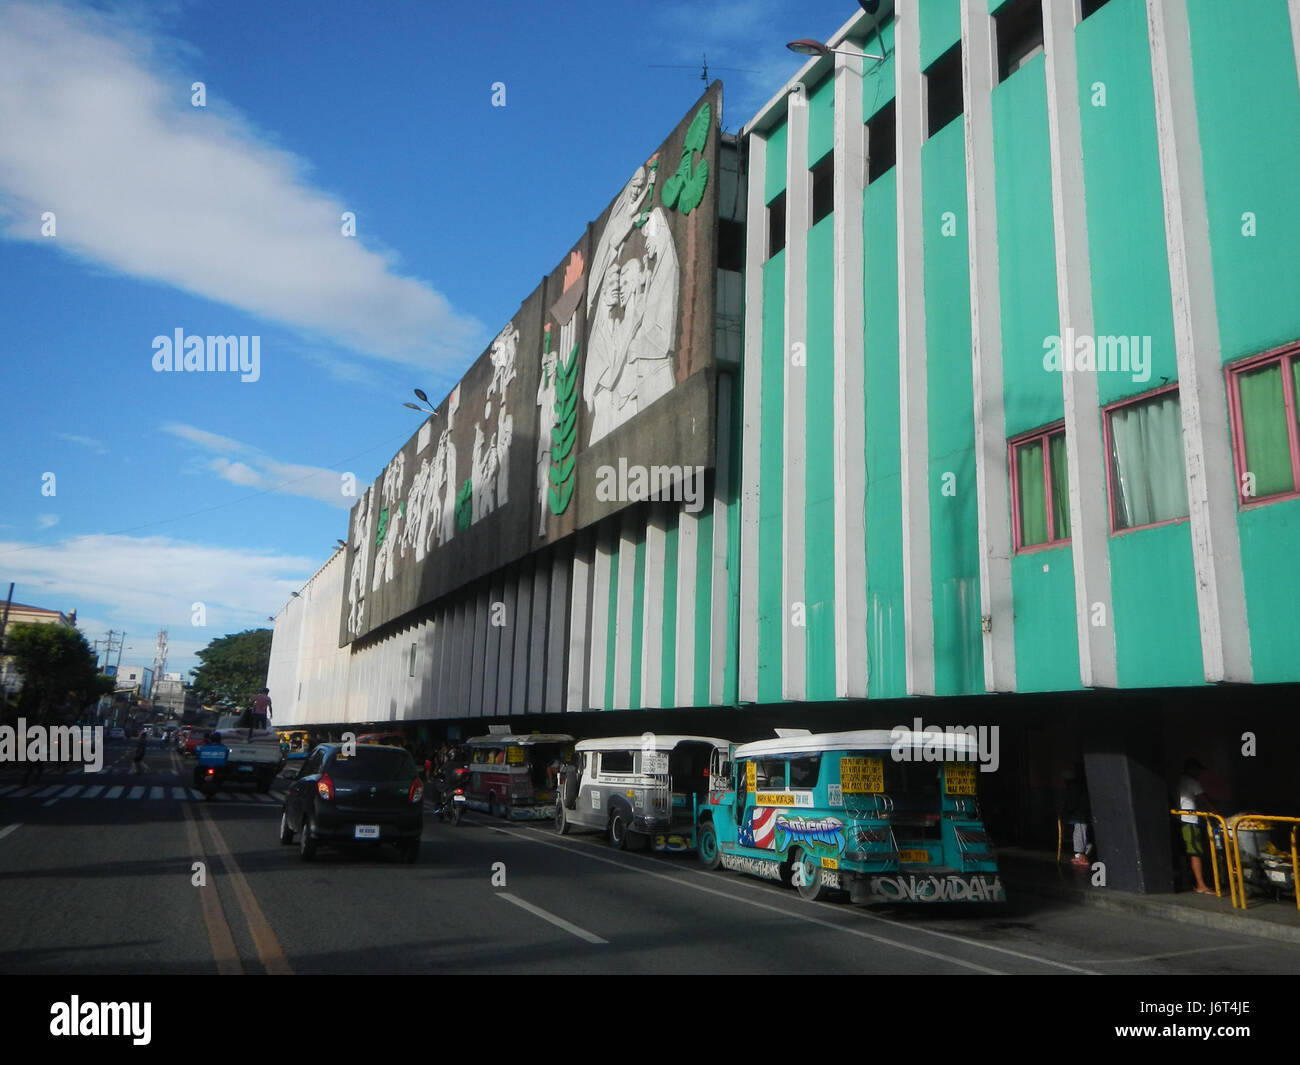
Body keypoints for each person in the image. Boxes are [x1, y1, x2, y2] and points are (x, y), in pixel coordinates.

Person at [1178, 758, 1216, 895]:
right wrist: (1217, 814)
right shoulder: (1191, 782)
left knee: (1187, 853)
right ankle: (1201, 885)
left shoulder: (1179, 780)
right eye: (1198, 770)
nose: (1199, 774)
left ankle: (1187, 882)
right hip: (1190, 821)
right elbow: (1205, 800)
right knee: (1195, 853)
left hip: (1181, 820)